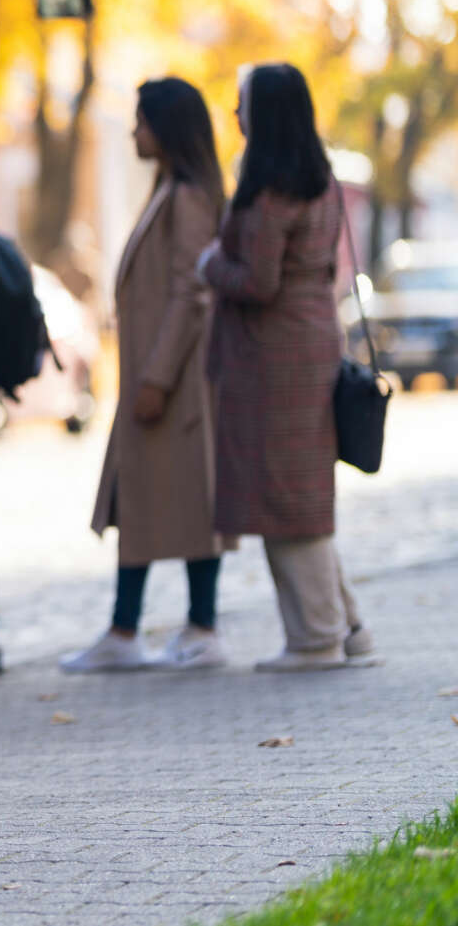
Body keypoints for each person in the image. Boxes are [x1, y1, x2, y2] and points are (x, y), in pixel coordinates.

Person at [200, 62, 377, 672]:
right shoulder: (319, 177)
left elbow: (258, 280)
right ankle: (344, 625)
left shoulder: (273, 187)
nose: (233, 111)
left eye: (241, 100)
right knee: (300, 489)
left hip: (275, 355)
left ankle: (316, 639)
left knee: (285, 494)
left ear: (265, 110)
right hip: (310, 344)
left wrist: (208, 265)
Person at [63, 78, 230, 673]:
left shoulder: (186, 197)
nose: (135, 131)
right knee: (148, 502)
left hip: (174, 385)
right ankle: (129, 628)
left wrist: (157, 377)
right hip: (159, 379)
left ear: (167, 128)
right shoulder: (170, 189)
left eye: (141, 121)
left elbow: (193, 292)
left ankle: (192, 626)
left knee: (182, 504)